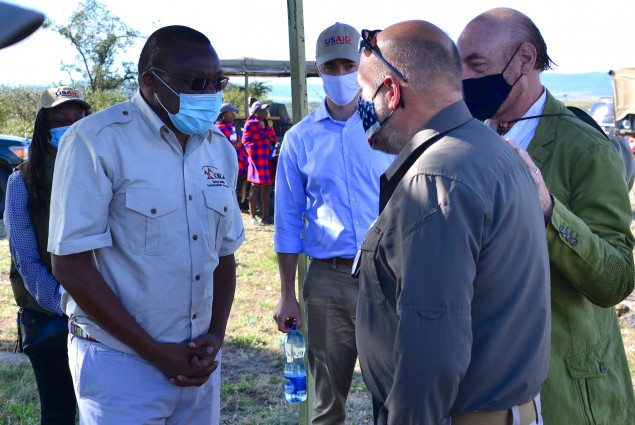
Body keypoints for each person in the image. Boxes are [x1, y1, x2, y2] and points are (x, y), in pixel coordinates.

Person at [354, 20, 551, 424]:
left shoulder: (437, 176)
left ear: (391, 92)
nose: (361, 106)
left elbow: (432, 344)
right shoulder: (487, 150)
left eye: (363, 92)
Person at [47, 25, 245, 424]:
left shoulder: (219, 150)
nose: (209, 94)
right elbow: (70, 264)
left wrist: (215, 338)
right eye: (196, 82)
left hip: (198, 363)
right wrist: (155, 351)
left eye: (216, 82)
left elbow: (224, 255)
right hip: (121, 366)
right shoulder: (96, 141)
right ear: (151, 82)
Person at [457, 8, 635, 424]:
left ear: (525, 58)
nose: (464, 79)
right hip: (488, 383)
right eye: (459, 65)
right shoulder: (471, 138)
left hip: (563, 390)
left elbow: (617, 279)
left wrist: (549, 213)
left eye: (477, 65)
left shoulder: (585, 147)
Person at [273, 22, 395, 424]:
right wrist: (287, 294)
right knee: (328, 402)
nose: (340, 74)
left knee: (395, 395)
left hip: (390, 277)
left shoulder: (389, 128)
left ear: (362, 66)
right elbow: (288, 220)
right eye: (331, 66)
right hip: (329, 280)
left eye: (348, 64)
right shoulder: (300, 139)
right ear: (319, 71)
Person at [5, 86, 90, 425]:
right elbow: (26, 258)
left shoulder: (103, 171)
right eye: (60, 120)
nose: (70, 127)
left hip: (106, 313)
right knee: (58, 411)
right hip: (52, 313)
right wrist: (68, 307)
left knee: (106, 409)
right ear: (43, 126)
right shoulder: (22, 181)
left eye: (77, 119)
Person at [242, 100, 277, 225]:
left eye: (266, 109)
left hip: (266, 158)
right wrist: (266, 136)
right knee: (255, 186)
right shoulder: (250, 124)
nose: (265, 112)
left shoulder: (266, 125)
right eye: (263, 110)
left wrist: (271, 139)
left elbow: (272, 136)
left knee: (267, 186)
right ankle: (252, 216)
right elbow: (246, 141)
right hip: (256, 159)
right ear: (256, 112)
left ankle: (265, 216)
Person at [216, 102, 248, 204]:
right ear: (223, 114)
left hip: (236, 160)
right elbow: (221, 147)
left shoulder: (233, 127)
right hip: (224, 162)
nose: (234, 115)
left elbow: (238, 139)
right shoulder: (218, 129)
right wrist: (236, 145)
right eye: (231, 113)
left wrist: (239, 142)